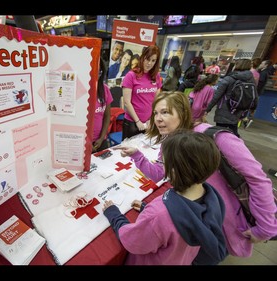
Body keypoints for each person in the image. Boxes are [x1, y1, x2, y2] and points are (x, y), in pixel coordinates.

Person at [114, 91, 277, 259]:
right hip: (197, 222)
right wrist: (137, 155)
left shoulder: (214, 137)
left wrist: (266, 227)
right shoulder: (169, 142)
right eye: (155, 113)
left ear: (183, 113)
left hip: (226, 223)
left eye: (165, 112)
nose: (158, 119)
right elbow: (160, 173)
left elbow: (258, 179)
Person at [103, 129, 227, 265]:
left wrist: (114, 215)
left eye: (163, 163)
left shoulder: (158, 214)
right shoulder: (213, 196)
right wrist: (146, 208)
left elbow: (133, 241)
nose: (161, 167)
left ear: (173, 170)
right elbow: (186, 217)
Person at [205, 59, 255, 138]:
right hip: (239, 110)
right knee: (233, 129)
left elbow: (217, 95)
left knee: (220, 132)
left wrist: (208, 108)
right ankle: (235, 143)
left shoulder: (230, 78)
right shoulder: (251, 80)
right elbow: (254, 95)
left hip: (225, 109)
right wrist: (251, 110)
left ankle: (226, 147)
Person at [121, 45, 162, 140]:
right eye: (147, 59)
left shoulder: (156, 76)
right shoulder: (131, 75)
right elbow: (127, 102)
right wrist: (137, 121)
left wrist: (152, 119)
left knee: (143, 150)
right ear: (142, 57)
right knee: (128, 151)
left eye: (153, 60)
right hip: (132, 122)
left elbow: (157, 100)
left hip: (148, 123)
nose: (149, 63)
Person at [92, 57, 113, 153]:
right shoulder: (82, 91)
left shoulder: (105, 89)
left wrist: (101, 138)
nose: (96, 76)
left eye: (99, 72)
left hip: (100, 140)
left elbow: (107, 115)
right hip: (83, 142)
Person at [241, 57, 262, 129]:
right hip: (250, 92)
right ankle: (245, 119)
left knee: (239, 106)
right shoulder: (257, 74)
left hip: (243, 90)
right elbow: (255, 85)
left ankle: (243, 119)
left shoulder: (248, 72)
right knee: (245, 107)